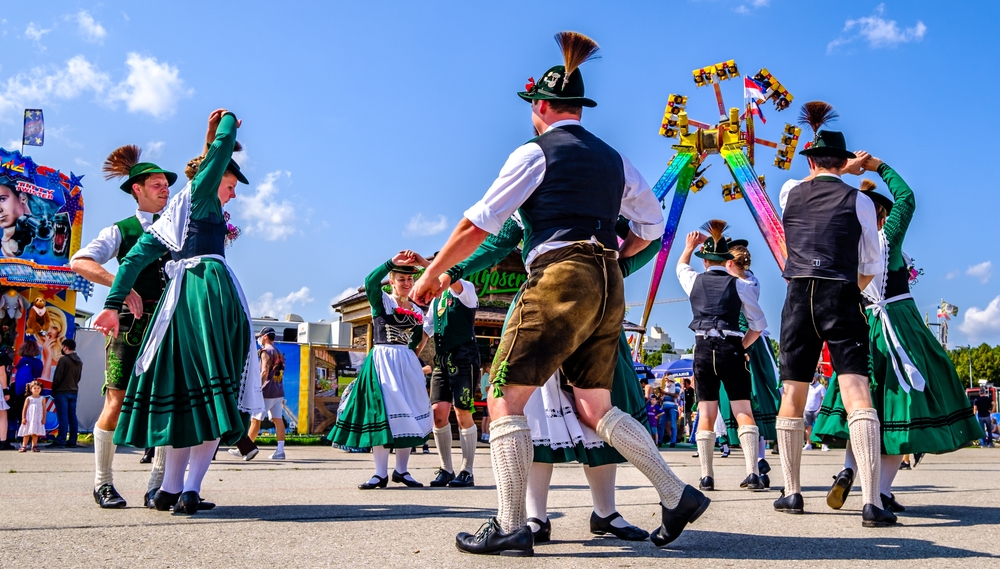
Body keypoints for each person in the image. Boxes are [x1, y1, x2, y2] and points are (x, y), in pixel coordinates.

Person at [412, 32, 703, 556]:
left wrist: (433, 272)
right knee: (594, 405)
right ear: (578, 108)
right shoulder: (614, 158)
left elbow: (480, 222)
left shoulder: (534, 152)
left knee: (503, 394)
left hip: (559, 273)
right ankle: (675, 493)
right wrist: (612, 249)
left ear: (540, 106)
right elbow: (652, 226)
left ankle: (510, 523)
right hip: (608, 280)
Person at [446, 214, 660, 542]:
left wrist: (617, 268)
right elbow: (495, 244)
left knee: (597, 417)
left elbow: (651, 235)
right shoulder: (534, 191)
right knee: (534, 417)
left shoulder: (604, 198)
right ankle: (535, 518)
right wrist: (451, 272)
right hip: (540, 306)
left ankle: (606, 513)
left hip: (594, 311)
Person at [92, 109, 263, 515]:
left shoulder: (171, 214)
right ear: (215, 177)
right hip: (208, 293)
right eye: (231, 184)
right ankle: (190, 489)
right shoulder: (202, 196)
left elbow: (132, 261)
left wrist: (112, 306)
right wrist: (229, 123)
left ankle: (169, 488)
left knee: (187, 393)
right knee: (215, 391)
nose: (234, 193)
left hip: (175, 305)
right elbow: (218, 154)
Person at [813, 156, 985, 514]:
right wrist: (879, 166)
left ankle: (848, 469)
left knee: (861, 406)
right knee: (899, 411)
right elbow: (906, 198)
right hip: (900, 324)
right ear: (878, 216)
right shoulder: (885, 239)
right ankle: (882, 492)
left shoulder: (847, 249)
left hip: (865, 328)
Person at [773, 114, 895, 527]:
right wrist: (850, 290)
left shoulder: (789, 191)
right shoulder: (860, 200)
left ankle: (791, 493)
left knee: (793, 391)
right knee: (857, 389)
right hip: (840, 289)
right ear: (843, 162)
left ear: (810, 160)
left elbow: (799, 196)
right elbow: (872, 263)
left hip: (797, 291)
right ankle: (871, 501)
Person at [71, 142, 174, 509]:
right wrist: (121, 284)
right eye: (158, 184)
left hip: (171, 326)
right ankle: (103, 483)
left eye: (166, 184)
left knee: (169, 401)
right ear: (138, 189)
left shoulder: (177, 231)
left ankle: (160, 485)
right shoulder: (122, 230)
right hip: (130, 325)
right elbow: (79, 261)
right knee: (116, 399)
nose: (165, 189)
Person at [328, 251, 433, 489]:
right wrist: (391, 263)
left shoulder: (417, 310)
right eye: (401, 279)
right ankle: (379, 473)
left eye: (410, 280)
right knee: (381, 413)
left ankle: (402, 471)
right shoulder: (382, 301)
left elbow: (418, 339)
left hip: (405, 362)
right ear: (392, 281)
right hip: (383, 360)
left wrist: (411, 363)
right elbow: (370, 282)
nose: (406, 284)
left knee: (408, 412)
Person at [676, 221, 768, 492]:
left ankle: (706, 476)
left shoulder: (694, 281)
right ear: (726, 259)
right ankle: (752, 473)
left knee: (706, 412)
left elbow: (681, 267)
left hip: (702, 348)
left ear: (705, 260)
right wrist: (743, 346)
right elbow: (758, 324)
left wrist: (688, 248)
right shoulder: (740, 285)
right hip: (731, 347)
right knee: (743, 410)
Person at [716, 239, 782, 485]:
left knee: (744, 401)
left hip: (742, 340)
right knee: (756, 400)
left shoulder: (735, 282)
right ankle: (758, 460)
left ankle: (755, 464)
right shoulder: (751, 279)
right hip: (758, 342)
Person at [417, 252, 481, 489]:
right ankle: (446, 468)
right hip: (442, 359)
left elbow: (450, 278)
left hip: (464, 357)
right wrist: (412, 356)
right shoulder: (437, 300)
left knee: (462, 411)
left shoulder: (465, 288)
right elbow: (428, 329)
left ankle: (467, 471)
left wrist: (427, 266)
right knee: (438, 413)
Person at [244, 327, 287, 459]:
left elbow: (264, 371)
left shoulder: (265, 351)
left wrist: (258, 388)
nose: (259, 338)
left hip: (267, 391)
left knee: (255, 419)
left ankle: (245, 449)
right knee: (278, 420)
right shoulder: (279, 352)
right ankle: (280, 451)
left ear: (266, 336)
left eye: (261, 336)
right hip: (278, 391)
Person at [51, 338, 82, 447]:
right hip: (74, 390)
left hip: (62, 391)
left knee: (63, 416)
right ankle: (72, 440)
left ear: (65, 347)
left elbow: (57, 377)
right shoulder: (79, 360)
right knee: (72, 416)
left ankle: (61, 440)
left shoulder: (64, 360)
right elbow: (78, 378)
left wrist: (53, 389)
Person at [17, 380, 46, 452]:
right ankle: (24, 446)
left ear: (41, 389)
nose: (36, 390)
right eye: (35, 388)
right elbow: (24, 409)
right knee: (26, 433)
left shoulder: (42, 398)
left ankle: (34, 446)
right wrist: (23, 418)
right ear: (31, 389)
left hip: (37, 419)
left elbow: (44, 409)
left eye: (38, 388)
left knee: (35, 433)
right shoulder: (29, 398)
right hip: (29, 418)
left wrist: (44, 418)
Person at [803, 374, 827, 450]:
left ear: (815, 378)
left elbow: (824, 399)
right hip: (807, 410)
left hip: (817, 410)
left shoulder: (820, 387)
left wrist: (820, 409)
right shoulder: (806, 387)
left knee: (821, 427)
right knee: (807, 427)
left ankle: (824, 444)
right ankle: (808, 444)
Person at [479, 362, 491, 443]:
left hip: (483, 397)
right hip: (487, 398)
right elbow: (487, 388)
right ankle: (487, 434)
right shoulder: (488, 377)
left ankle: (483, 434)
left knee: (484, 417)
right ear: (487, 369)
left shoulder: (483, 377)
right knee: (488, 417)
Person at [0, 350, 9, 450]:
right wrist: (5, 390)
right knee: (2, 415)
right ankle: (3, 441)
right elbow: (1, 373)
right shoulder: (1, 354)